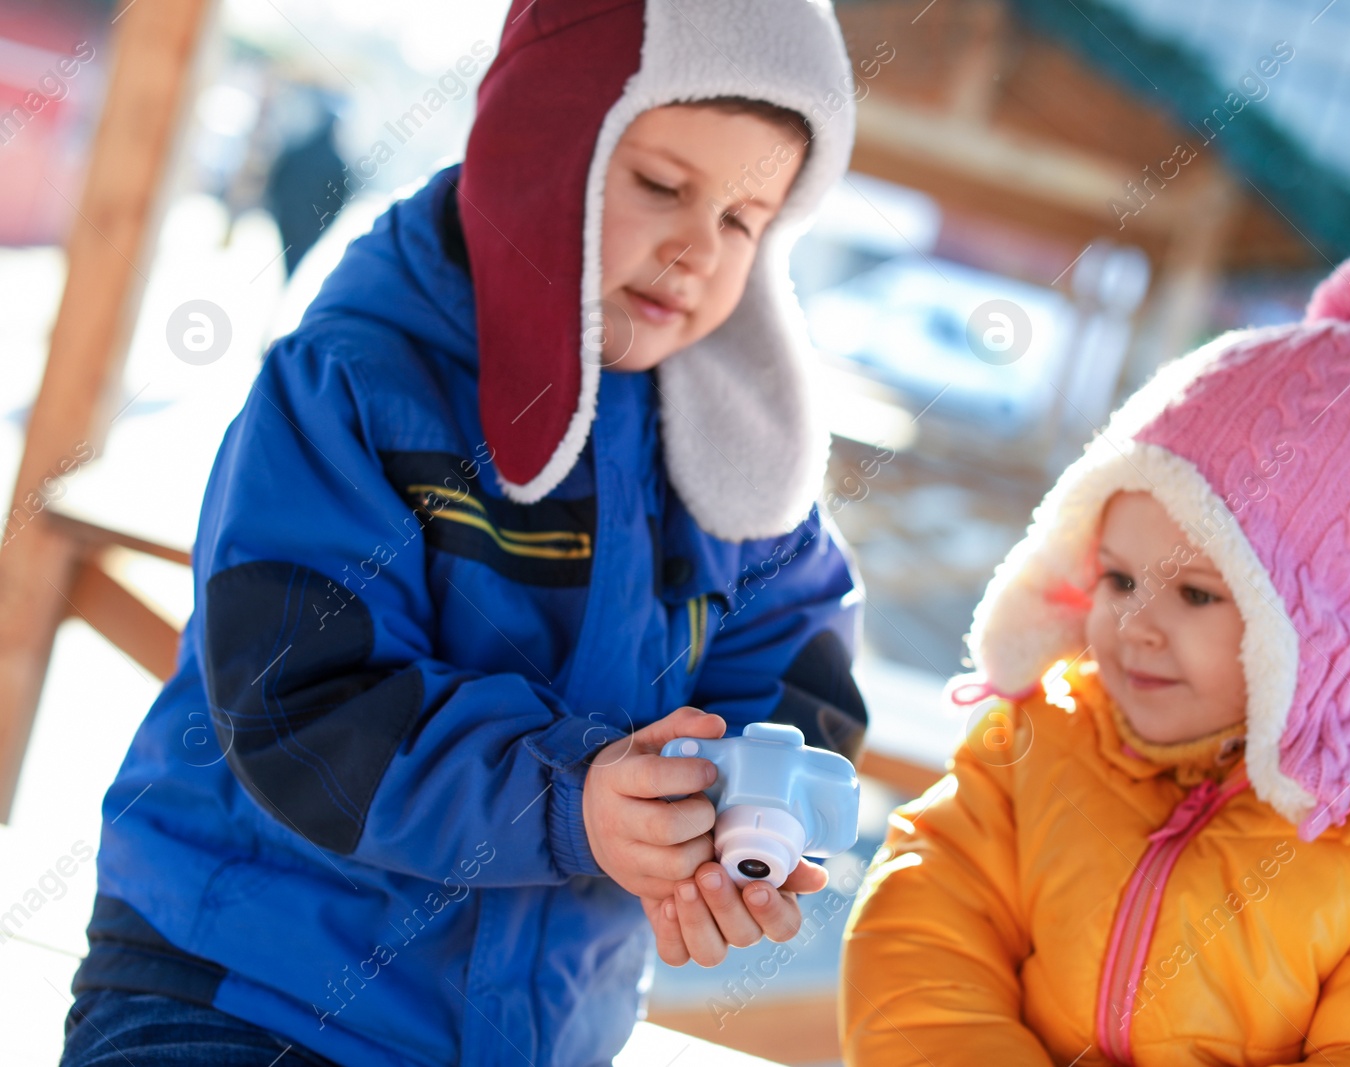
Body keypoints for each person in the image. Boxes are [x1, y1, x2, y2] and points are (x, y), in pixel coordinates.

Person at [59, 1, 869, 1065]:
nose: (694, 249)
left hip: (527, 1034)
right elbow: (303, 698)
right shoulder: (361, 380)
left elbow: (796, 667)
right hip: (243, 986)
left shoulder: (734, 453)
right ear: (545, 155)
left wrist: (732, 825)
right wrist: (573, 798)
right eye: (663, 186)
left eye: (744, 219)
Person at [840, 237, 1350, 1065]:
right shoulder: (1043, 739)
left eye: (1197, 592)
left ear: (1324, 636)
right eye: (1119, 576)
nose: (1134, 625)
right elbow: (922, 929)